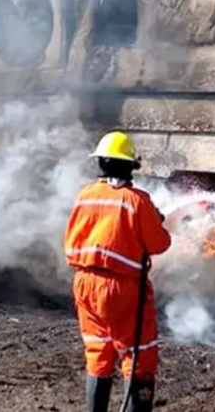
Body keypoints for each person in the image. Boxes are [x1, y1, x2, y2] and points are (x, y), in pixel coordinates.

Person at [64, 131, 172, 412]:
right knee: (139, 356)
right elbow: (159, 244)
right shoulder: (136, 200)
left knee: (98, 351)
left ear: (101, 163)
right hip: (122, 289)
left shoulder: (85, 196)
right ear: (130, 166)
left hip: (84, 284)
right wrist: (156, 221)